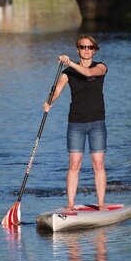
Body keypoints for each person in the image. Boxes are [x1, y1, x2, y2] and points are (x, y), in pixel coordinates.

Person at [44, 35, 108, 212]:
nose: (86, 50)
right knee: (74, 165)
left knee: (98, 164)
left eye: (89, 47)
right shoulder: (68, 73)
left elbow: (88, 73)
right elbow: (56, 90)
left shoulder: (101, 67)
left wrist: (69, 62)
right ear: (78, 49)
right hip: (76, 123)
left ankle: (101, 204)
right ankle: (70, 205)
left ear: (94, 50)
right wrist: (49, 101)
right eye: (82, 47)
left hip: (97, 123)